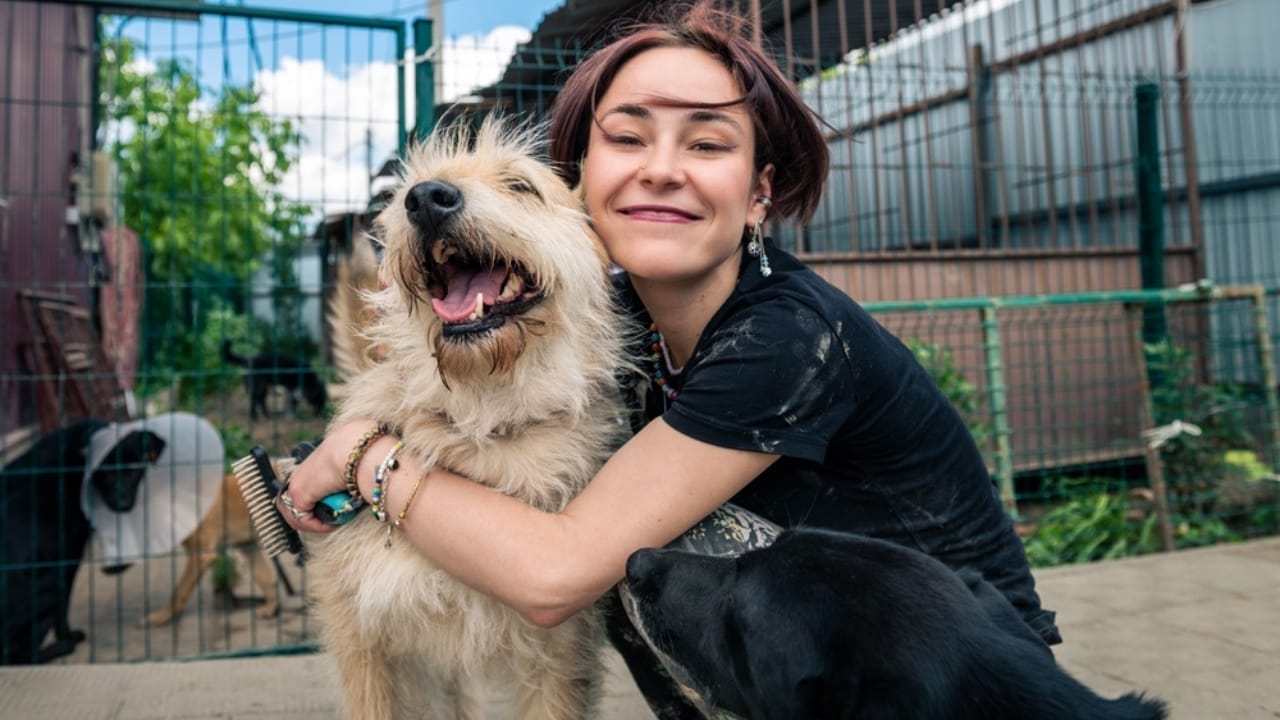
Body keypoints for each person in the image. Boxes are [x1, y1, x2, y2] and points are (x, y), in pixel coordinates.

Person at [283, 1, 1060, 716]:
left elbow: (554, 574)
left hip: (951, 696)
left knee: (613, 547)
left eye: (707, 143)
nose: (659, 168)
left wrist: (362, 455)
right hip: (812, 683)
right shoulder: (610, 325)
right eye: (627, 138)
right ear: (585, 187)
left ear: (758, 194)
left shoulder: (788, 340)